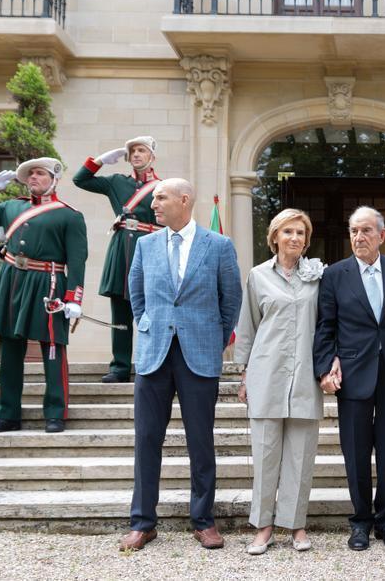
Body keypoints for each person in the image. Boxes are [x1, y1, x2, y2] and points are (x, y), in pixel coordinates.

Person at [119, 178, 241, 552]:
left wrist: (213, 340)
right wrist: (150, 327)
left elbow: (230, 301)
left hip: (199, 355)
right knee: (146, 441)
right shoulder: (145, 245)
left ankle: (203, 521)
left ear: (184, 200)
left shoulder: (218, 246)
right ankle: (143, 523)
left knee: (201, 443)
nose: (153, 204)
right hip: (154, 355)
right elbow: (136, 296)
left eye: (160, 197)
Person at [313, 206, 385, 552]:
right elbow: (325, 326)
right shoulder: (335, 275)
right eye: (354, 231)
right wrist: (324, 367)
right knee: (356, 454)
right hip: (353, 376)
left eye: (366, 231)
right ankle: (360, 522)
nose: (359, 238)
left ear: (382, 236)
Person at [0, 158, 87, 434]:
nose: (33, 177)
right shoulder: (13, 207)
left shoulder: (69, 215)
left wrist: (74, 298)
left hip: (49, 282)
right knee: (9, 350)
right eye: (30, 174)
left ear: (54, 179)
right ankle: (7, 415)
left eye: (39, 173)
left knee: (52, 349)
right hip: (11, 281)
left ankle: (56, 413)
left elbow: (77, 261)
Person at [234, 208, 325, 554]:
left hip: (304, 377)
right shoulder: (258, 277)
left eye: (301, 233)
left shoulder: (317, 277)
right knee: (266, 455)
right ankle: (263, 526)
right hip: (265, 374)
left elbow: (326, 324)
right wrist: (242, 373)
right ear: (274, 237)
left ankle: (296, 525)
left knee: (301, 458)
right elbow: (248, 326)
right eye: (288, 232)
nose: (295, 238)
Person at [73, 135, 163, 383]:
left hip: (151, 251)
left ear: (152, 156)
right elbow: (80, 180)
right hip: (122, 250)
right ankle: (120, 367)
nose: (135, 154)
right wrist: (100, 161)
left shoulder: (165, 187)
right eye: (132, 151)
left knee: (153, 312)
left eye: (141, 150)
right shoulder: (116, 182)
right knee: (120, 312)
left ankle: (152, 363)